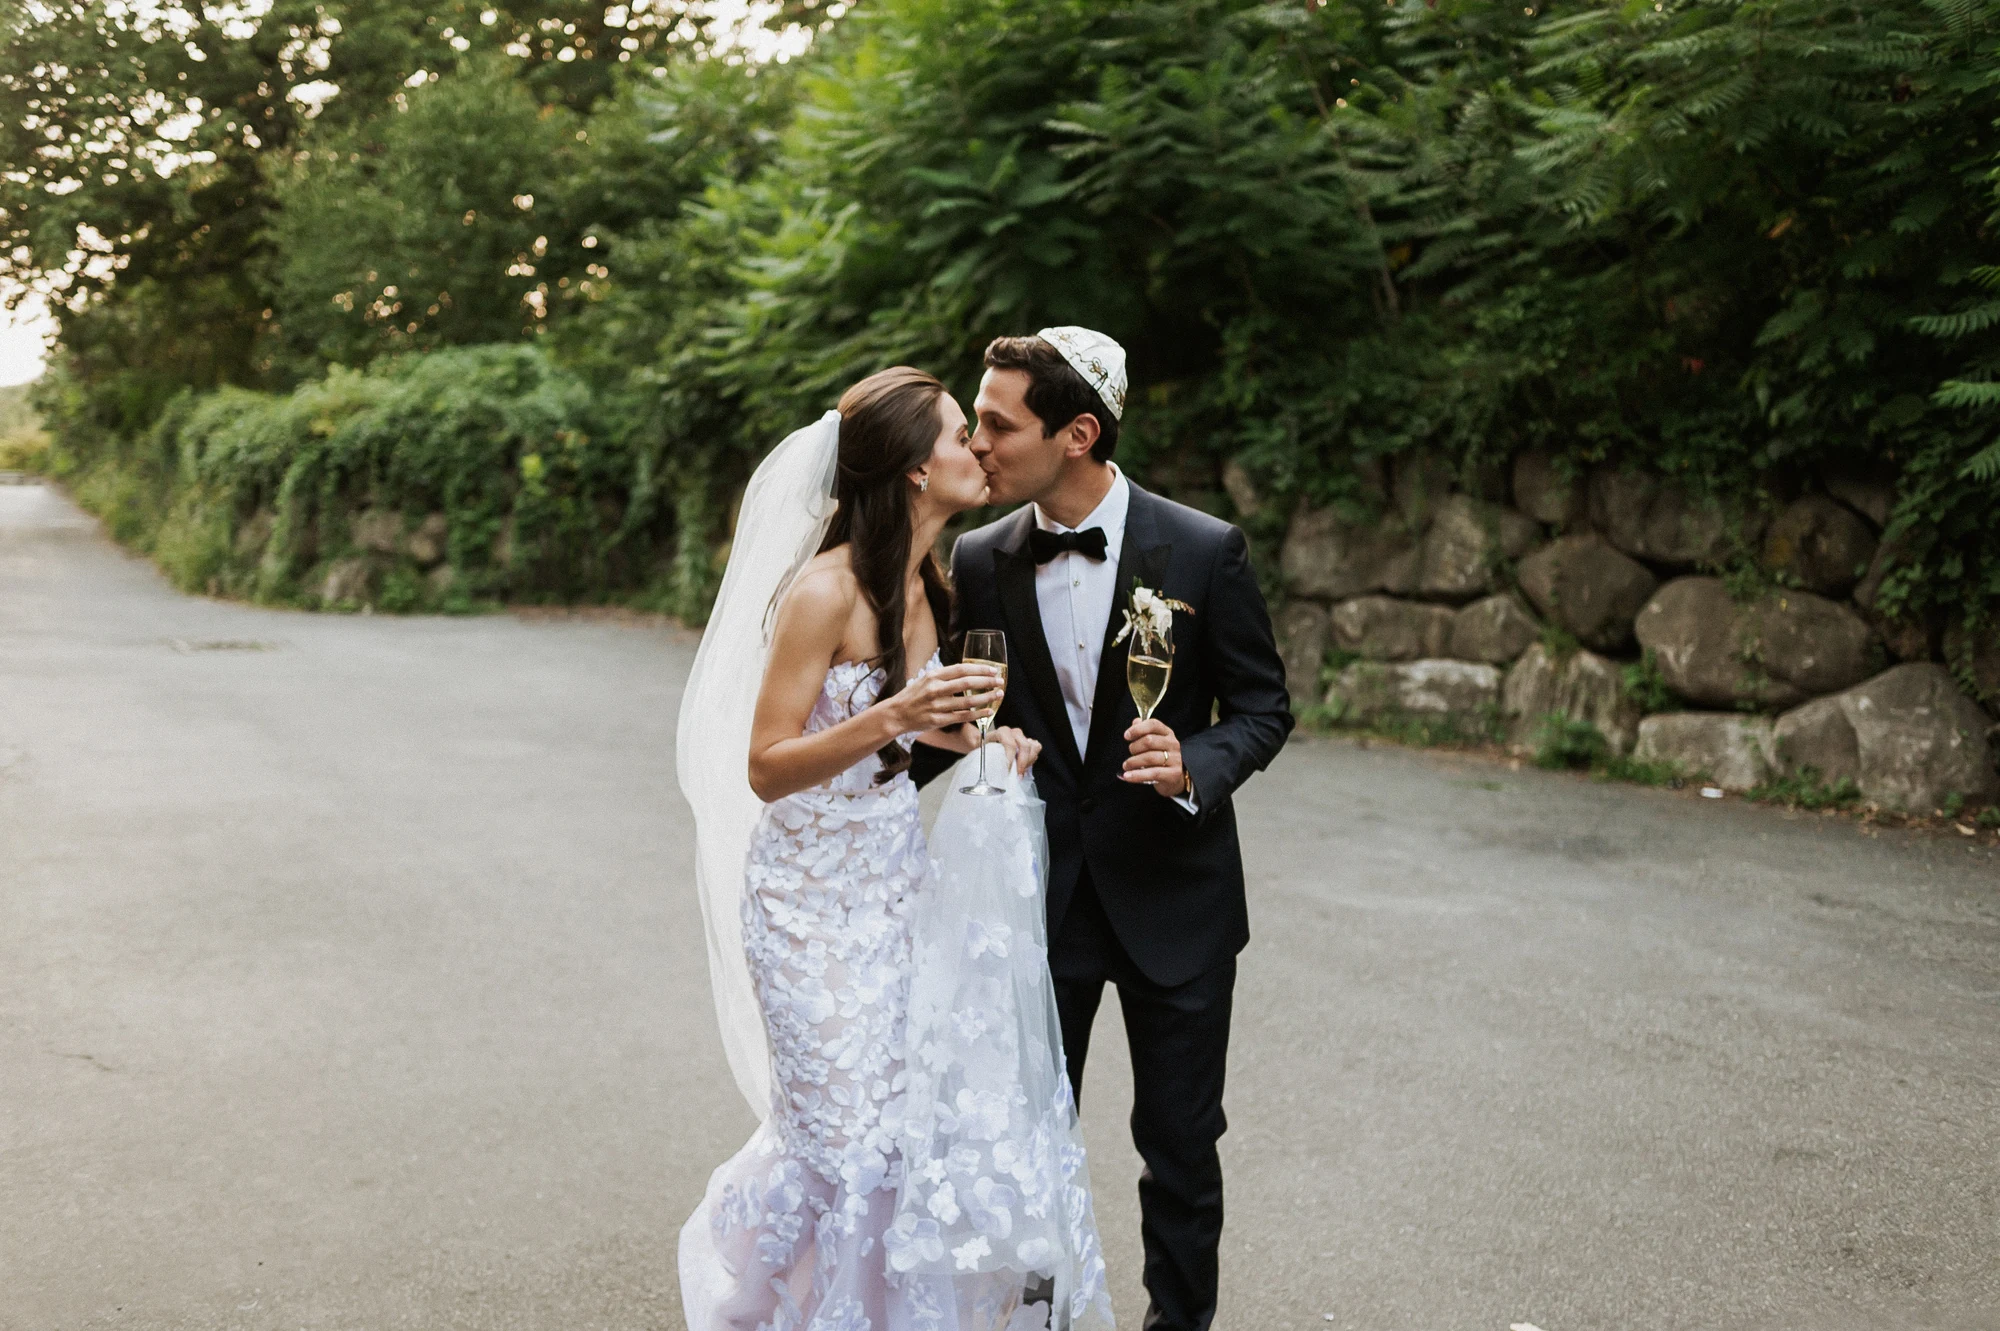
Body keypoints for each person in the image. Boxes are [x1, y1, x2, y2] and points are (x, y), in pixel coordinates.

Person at [677, 366, 1112, 1331]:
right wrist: (898, 715)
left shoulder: (926, 581)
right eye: (961, 434)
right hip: (803, 909)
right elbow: (767, 765)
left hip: (893, 890)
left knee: (902, 1142)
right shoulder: (823, 591)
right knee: (845, 1148)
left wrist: (981, 740)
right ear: (917, 469)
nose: (979, 448)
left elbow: (905, 739)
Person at [911, 329, 1294, 1331]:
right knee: (1027, 1147)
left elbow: (1263, 708)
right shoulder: (980, 556)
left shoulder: (1203, 549)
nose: (976, 440)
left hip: (1178, 895)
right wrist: (876, 757)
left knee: (1180, 1149)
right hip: (1041, 898)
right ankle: (1038, 1322)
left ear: (1076, 434)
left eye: (998, 423)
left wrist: (1194, 764)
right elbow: (958, 720)